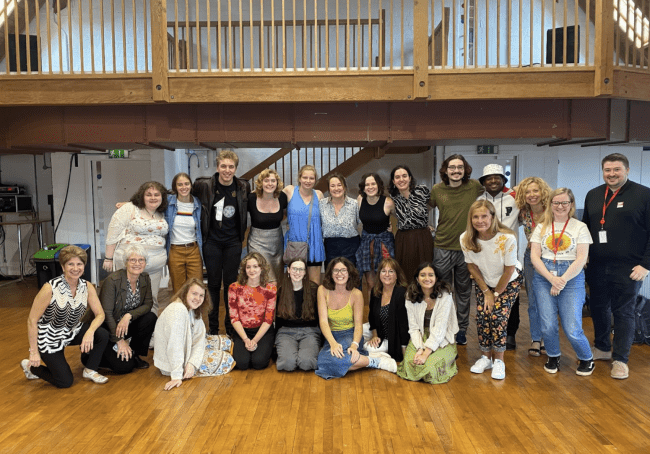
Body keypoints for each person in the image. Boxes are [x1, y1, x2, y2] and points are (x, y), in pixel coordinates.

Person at [582, 153, 650, 379]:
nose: (612, 174)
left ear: (627, 170)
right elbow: (586, 229)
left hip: (629, 267)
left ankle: (621, 359)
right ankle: (602, 348)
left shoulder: (643, 195)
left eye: (616, 170)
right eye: (607, 170)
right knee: (599, 308)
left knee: (624, 312)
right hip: (597, 265)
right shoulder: (593, 195)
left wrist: (646, 265)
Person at [21, 245, 109, 387]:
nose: (76, 268)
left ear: (84, 266)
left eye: (79, 264)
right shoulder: (49, 288)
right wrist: (33, 352)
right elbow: (32, 320)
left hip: (71, 330)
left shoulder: (87, 286)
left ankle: (90, 370)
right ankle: (29, 366)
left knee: (101, 334)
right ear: (63, 267)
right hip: (49, 336)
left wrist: (90, 332)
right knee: (65, 382)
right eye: (70, 264)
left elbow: (100, 314)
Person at [530, 188, 595, 375]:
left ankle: (586, 358)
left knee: (572, 325)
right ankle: (553, 355)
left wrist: (562, 280)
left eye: (564, 203)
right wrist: (551, 278)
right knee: (548, 323)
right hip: (544, 276)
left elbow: (582, 258)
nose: (560, 206)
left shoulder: (579, 227)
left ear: (571, 205)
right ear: (550, 205)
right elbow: (535, 257)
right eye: (556, 202)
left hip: (572, 277)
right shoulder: (541, 226)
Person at [460, 200, 523, 380]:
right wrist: (486, 291)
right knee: (482, 317)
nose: (480, 220)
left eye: (484, 216)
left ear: (492, 217)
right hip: (485, 282)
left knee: (498, 317)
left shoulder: (507, 238)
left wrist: (495, 294)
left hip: (508, 281)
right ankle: (485, 357)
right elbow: (472, 267)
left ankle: (499, 361)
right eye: (475, 217)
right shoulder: (465, 238)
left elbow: (509, 270)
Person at [193, 150, 250, 335]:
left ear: (236, 168)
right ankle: (213, 329)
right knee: (214, 285)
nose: (227, 170)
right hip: (212, 242)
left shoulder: (243, 186)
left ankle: (231, 327)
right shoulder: (204, 185)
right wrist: (134, 203)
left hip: (233, 243)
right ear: (217, 167)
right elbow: (178, 195)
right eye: (223, 166)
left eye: (231, 166)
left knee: (231, 285)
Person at [430, 154, 484, 346]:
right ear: (445, 170)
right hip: (443, 245)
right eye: (452, 167)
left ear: (465, 169)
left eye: (459, 167)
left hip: (467, 247)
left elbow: (496, 191)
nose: (456, 171)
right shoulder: (437, 190)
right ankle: (443, 326)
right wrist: (427, 227)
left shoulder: (474, 186)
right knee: (442, 290)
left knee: (463, 291)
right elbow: (423, 209)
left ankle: (461, 330)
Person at [315, 257, 397, 379]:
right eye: (336, 270)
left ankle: (378, 363)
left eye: (343, 270)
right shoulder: (322, 290)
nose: (339, 274)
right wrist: (332, 343)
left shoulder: (356, 294)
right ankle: (370, 359)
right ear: (330, 274)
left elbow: (359, 325)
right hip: (330, 336)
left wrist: (354, 345)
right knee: (322, 361)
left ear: (349, 273)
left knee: (336, 360)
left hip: (350, 335)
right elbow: (323, 321)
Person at [153, 278, 235, 390]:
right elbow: (174, 345)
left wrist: (192, 362)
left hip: (187, 348)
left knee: (226, 342)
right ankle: (188, 369)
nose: (198, 298)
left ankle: (196, 361)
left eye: (201, 295)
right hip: (171, 364)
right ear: (185, 292)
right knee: (226, 359)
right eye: (194, 293)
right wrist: (177, 375)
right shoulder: (177, 310)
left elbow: (199, 338)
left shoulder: (193, 309)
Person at [103, 181, 169, 315]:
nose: (153, 197)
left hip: (155, 267)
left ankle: (149, 331)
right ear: (141, 196)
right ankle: (123, 332)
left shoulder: (162, 212)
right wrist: (108, 258)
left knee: (152, 301)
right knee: (126, 299)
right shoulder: (129, 209)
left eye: (157, 194)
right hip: (131, 264)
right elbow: (113, 233)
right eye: (148, 194)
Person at [477, 164, 521, 350]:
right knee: (487, 294)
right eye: (489, 178)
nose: (493, 181)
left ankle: (510, 334)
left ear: (503, 179)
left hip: (509, 255)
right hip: (486, 255)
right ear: (484, 182)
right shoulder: (480, 200)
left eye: (497, 177)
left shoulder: (516, 197)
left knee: (512, 297)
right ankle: (489, 335)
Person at [95, 245, 157, 373]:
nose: (137, 263)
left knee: (150, 317)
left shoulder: (144, 278)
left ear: (145, 263)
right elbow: (106, 314)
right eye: (132, 260)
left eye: (141, 260)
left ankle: (134, 353)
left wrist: (129, 315)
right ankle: (93, 356)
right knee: (124, 367)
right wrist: (119, 340)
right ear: (125, 262)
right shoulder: (112, 281)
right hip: (107, 328)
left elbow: (148, 304)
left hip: (125, 325)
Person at [396, 262, 459, 384]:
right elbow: (413, 328)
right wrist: (419, 348)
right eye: (423, 275)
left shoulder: (445, 295)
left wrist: (426, 353)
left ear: (436, 278)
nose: (427, 278)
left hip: (442, 338)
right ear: (417, 278)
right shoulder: (410, 295)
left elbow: (440, 329)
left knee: (430, 369)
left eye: (431, 275)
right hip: (420, 337)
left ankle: (451, 359)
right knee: (410, 365)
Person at [515, 176, 552, 356]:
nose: (532, 195)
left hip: (552, 257)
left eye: (535, 191)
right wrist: (518, 189)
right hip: (531, 257)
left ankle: (548, 338)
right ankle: (536, 339)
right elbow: (511, 191)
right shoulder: (524, 211)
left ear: (543, 191)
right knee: (533, 300)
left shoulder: (553, 209)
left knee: (550, 299)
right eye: (527, 192)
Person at [228, 253, 277, 370]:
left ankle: (269, 348)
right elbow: (234, 317)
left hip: (263, 331)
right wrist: (245, 339)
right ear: (244, 270)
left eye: (255, 266)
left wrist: (254, 340)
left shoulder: (270, 289)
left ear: (262, 268)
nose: (252, 270)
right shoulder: (234, 288)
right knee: (242, 364)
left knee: (259, 363)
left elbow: (269, 319)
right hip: (242, 331)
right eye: (248, 267)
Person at [389, 165, 434, 283]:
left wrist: (424, 223)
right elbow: (391, 213)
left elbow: (430, 206)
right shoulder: (393, 197)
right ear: (393, 181)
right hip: (403, 239)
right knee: (405, 273)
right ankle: (407, 299)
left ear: (410, 178)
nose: (401, 179)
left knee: (425, 271)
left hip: (422, 237)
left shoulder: (422, 190)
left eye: (404, 176)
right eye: (397, 177)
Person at [275, 258, 321, 371]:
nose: (297, 272)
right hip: (286, 332)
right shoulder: (281, 290)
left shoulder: (314, 290)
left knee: (306, 363)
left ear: (305, 272)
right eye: (294, 268)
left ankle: (303, 352)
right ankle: (288, 353)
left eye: (301, 269)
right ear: (289, 270)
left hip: (310, 331)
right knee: (288, 364)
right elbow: (277, 318)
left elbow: (321, 318)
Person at [283, 165, 325, 284]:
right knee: (293, 283)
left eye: (311, 178)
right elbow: (272, 196)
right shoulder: (290, 190)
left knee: (314, 284)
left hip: (315, 244)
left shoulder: (319, 195)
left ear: (315, 180)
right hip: (295, 243)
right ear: (299, 178)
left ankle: (311, 304)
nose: (308, 181)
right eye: (305, 177)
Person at [356, 173, 396, 291]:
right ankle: (373, 308)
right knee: (370, 282)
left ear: (378, 185)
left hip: (384, 244)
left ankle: (387, 308)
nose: (370, 187)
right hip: (366, 243)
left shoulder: (388, 202)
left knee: (386, 279)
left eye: (373, 183)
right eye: (367, 184)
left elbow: (401, 218)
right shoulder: (360, 199)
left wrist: (392, 226)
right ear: (363, 187)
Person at [165, 172, 203, 294]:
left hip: (194, 250)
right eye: (180, 184)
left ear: (191, 185)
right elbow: (148, 202)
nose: (184, 187)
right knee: (179, 289)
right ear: (175, 187)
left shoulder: (198, 203)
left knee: (196, 287)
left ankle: (197, 314)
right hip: (175, 251)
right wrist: (129, 204)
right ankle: (181, 313)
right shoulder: (168, 202)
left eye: (186, 184)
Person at [365, 258, 409, 362]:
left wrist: (404, 353)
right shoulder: (376, 292)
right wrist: (374, 336)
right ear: (379, 274)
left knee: (369, 349)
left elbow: (404, 326)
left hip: (393, 338)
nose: (387, 274)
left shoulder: (401, 293)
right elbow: (372, 317)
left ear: (397, 275)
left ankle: (383, 358)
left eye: (391, 271)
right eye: (383, 271)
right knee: (355, 332)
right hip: (379, 331)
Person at [247, 169, 288, 281]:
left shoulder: (282, 197)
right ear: (261, 183)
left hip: (277, 243)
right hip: (257, 242)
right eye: (266, 181)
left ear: (277, 183)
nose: (270, 184)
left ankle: (275, 298)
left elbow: (287, 214)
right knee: (260, 275)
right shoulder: (251, 198)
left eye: (273, 181)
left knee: (277, 276)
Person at [320, 173, 361, 269]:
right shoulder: (321, 205)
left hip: (351, 247)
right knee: (332, 278)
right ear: (329, 189)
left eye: (339, 185)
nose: (336, 188)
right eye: (332, 186)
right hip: (330, 247)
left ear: (345, 187)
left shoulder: (354, 204)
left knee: (351, 278)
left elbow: (364, 223)